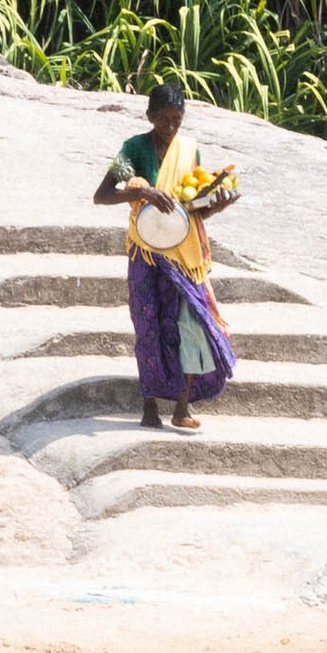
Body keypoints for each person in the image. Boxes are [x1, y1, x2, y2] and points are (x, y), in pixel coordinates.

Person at [94, 74, 239, 432]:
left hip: (183, 256)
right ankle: (149, 407)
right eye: (163, 120)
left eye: (177, 120)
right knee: (148, 326)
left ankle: (181, 407)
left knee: (190, 325)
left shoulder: (190, 151)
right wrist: (143, 193)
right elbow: (102, 195)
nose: (170, 127)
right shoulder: (133, 149)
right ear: (150, 116)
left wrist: (218, 205)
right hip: (145, 252)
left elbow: (192, 211)